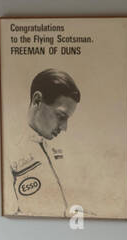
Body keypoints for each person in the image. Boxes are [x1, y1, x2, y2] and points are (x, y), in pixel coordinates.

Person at [5, 69, 80, 217]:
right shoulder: (6, 148)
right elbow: (10, 216)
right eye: (61, 116)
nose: (64, 128)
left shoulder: (54, 145)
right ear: (37, 100)